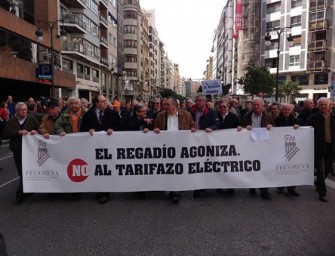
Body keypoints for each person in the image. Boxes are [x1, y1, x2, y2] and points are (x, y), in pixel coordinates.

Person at [80, 94, 122, 204]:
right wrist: (89, 130)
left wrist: (113, 129)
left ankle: (105, 192)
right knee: (96, 169)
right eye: (103, 101)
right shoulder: (88, 115)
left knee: (106, 168)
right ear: (96, 103)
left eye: (106, 101)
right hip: (94, 147)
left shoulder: (113, 114)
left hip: (108, 147)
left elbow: (120, 126)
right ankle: (99, 189)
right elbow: (83, 128)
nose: (106, 103)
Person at [154, 96, 196, 203]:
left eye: (167, 104)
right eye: (164, 104)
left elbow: (192, 126)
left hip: (181, 147)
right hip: (165, 147)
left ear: (175, 105)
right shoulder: (160, 115)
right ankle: (170, 187)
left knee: (178, 169)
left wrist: (193, 130)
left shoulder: (186, 115)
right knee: (168, 168)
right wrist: (155, 130)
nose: (165, 106)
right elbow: (155, 128)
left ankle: (176, 191)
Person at [2, 102, 40, 203]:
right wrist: (18, 132)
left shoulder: (31, 118)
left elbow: (39, 128)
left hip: (30, 149)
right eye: (22, 110)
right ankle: (26, 190)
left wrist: (36, 131)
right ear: (17, 110)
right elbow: (5, 134)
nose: (24, 111)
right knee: (21, 171)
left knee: (26, 170)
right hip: (18, 149)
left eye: (25, 109)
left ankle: (20, 194)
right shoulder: (11, 120)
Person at [241, 97, 274, 200]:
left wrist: (270, 127)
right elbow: (241, 127)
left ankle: (264, 190)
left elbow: (275, 128)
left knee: (264, 167)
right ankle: (252, 186)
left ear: (262, 106)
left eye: (258, 105)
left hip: (264, 146)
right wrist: (245, 127)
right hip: (251, 145)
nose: (255, 107)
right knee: (252, 167)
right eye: (254, 105)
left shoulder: (268, 116)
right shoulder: (247, 116)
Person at [54, 97, 86, 200]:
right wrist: (60, 130)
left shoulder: (87, 114)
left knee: (83, 165)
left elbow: (92, 124)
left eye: (75, 103)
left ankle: (83, 187)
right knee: (73, 167)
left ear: (80, 104)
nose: (73, 105)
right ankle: (75, 190)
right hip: (70, 145)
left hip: (84, 145)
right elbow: (57, 125)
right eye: (71, 104)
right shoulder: (64, 115)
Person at [190, 95, 219, 198]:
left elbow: (217, 124)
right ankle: (197, 187)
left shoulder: (211, 112)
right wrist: (191, 128)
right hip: (193, 141)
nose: (197, 103)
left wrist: (211, 128)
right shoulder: (190, 111)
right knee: (196, 164)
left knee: (206, 163)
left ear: (204, 102)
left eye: (199, 101)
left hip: (206, 142)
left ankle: (207, 183)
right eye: (196, 101)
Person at [307, 97, 335, 202]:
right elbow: (306, 131)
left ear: (329, 105)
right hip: (319, 147)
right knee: (320, 170)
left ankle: (319, 182)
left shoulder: (333, 117)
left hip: (332, 147)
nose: (323, 106)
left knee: (329, 167)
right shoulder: (313, 118)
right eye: (321, 105)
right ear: (318, 106)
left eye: (325, 104)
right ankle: (322, 193)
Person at [274, 103, 300, 196]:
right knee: (281, 168)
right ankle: (280, 186)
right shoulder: (276, 121)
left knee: (291, 169)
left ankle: (291, 188)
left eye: (288, 110)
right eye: (285, 110)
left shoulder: (296, 120)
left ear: (291, 111)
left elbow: (303, 130)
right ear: (281, 110)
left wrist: (298, 127)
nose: (287, 111)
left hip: (291, 148)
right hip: (280, 148)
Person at [217, 98, 242, 195]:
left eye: (224, 107)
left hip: (231, 148)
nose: (222, 108)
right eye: (220, 107)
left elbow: (239, 126)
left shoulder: (234, 117)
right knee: (219, 167)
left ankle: (230, 186)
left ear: (228, 107)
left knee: (230, 167)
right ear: (218, 108)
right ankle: (219, 185)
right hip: (218, 147)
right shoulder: (215, 116)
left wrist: (240, 128)